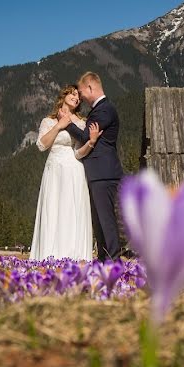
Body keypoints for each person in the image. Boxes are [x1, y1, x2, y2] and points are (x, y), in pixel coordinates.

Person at [30, 84, 102, 260]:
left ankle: (73, 256)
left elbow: (78, 152)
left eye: (78, 96)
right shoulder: (48, 121)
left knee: (71, 210)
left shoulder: (81, 123)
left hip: (74, 170)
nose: (76, 97)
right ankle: (49, 256)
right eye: (72, 93)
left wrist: (91, 142)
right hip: (54, 170)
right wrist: (59, 126)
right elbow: (41, 145)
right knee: (52, 209)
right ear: (63, 96)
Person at [62, 72, 123, 261]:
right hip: (98, 173)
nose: (80, 97)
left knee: (106, 220)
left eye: (81, 92)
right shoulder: (98, 110)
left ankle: (114, 260)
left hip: (104, 173)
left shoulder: (104, 110)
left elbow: (86, 136)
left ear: (90, 87)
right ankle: (104, 259)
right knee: (99, 221)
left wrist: (67, 123)